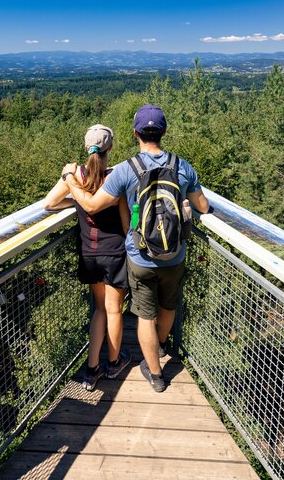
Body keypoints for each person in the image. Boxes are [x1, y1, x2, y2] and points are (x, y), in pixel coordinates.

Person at [62, 105, 209, 392]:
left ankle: (155, 374)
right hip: (175, 254)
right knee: (169, 305)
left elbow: (91, 205)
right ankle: (162, 343)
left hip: (139, 255)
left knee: (144, 314)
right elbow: (203, 206)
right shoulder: (182, 166)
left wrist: (69, 179)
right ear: (164, 132)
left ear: (135, 134)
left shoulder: (127, 170)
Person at [43, 124, 132, 391]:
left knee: (99, 310)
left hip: (89, 253)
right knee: (115, 310)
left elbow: (49, 203)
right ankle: (114, 362)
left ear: (86, 147)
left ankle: (91, 369)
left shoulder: (76, 175)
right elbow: (127, 224)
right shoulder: (116, 177)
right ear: (111, 148)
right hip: (114, 252)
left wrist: (76, 198)